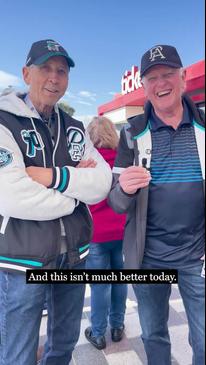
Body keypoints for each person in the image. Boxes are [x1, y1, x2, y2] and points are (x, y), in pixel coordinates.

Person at [0, 39, 112, 365]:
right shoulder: (5, 122)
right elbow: (11, 195)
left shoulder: (74, 127)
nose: (53, 77)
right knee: (18, 355)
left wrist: (52, 178)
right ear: (26, 73)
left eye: (61, 71)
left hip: (73, 259)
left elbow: (102, 183)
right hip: (22, 263)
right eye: (45, 68)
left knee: (63, 345)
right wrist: (76, 194)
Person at [108, 44, 205, 365]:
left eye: (167, 75)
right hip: (149, 257)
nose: (160, 83)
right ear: (144, 87)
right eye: (151, 78)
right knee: (153, 334)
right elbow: (116, 202)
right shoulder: (131, 135)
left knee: (203, 338)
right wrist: (123, 188)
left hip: (198, 256)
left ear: (183, 78)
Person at [84, 116, 127, 350]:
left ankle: (98, 333)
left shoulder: (88, 163)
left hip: (96, 234)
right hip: (121, 230)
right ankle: (118, 326)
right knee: (119, 279)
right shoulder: (123, 161)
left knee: (100, 284)